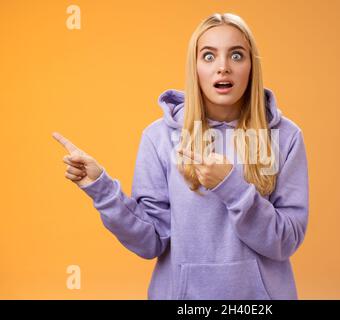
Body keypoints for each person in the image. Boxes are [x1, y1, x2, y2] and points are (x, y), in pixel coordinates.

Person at [52, 12, 309, 300]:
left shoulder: (284, 137)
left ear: (251, 66)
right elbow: (151, 242)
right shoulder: (159, 137)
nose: (223, 67)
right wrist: (101, 188)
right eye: (209, 56)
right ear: (194, 66)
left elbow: (286, 241)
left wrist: (231, 187)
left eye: (236, 56)